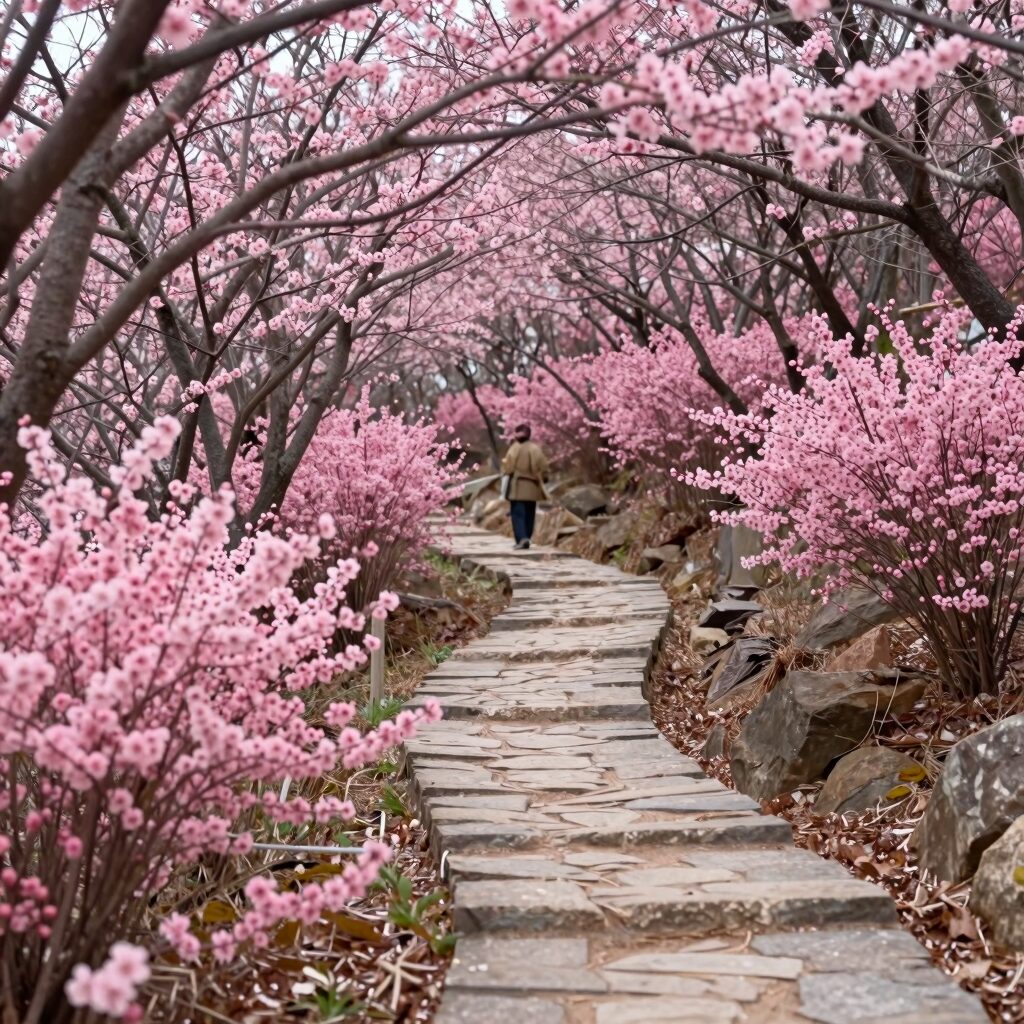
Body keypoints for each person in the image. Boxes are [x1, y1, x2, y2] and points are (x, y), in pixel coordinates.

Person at [501, 423, 549, 549]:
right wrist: (544, 478)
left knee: (518, 514)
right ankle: (527, 537)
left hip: (517, 487)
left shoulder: (514, 448)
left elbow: (508, 468)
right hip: (533, 487)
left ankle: (521, 538)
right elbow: (544, 466)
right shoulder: (535, 449)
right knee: (530, 513)